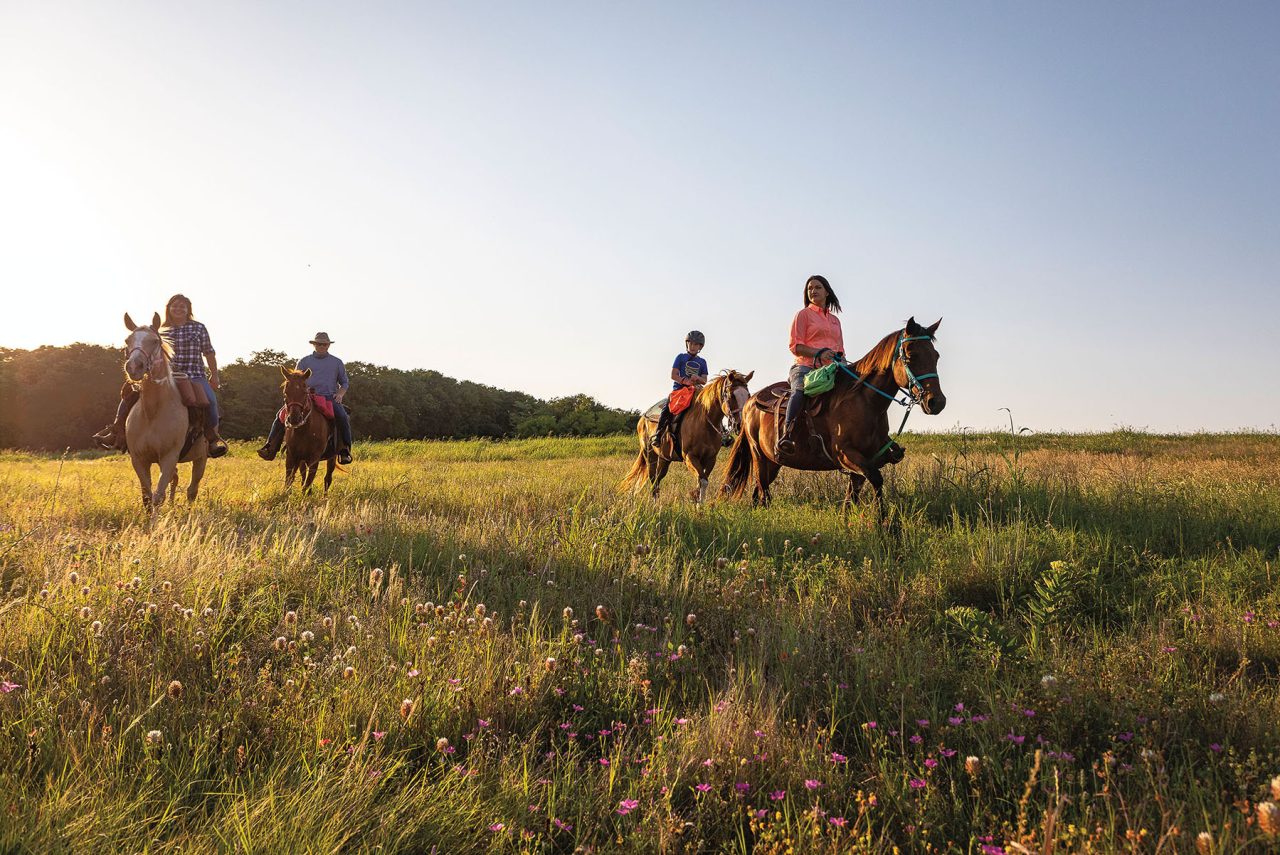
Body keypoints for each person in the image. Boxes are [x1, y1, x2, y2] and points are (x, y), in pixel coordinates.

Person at [93, 293, 228, 458]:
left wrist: (214, 375)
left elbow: (209, 352)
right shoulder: (160, 330)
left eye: (182, 306)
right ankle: (116, 431)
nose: (178, 309)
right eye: (174, 306)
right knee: (128, 396)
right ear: (169, 309)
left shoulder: (198, 328)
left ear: (188, 310)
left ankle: (212, 440)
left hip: (194, 374)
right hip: (164, 375)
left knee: (210, 401)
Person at [257, 332, 353, 465]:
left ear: (328, 345)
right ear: (314, 344)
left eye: (324, 344)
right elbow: (294, 380)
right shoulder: (304, 361)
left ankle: (345, 451)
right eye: (319, 344)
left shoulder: (336, 362)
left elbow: (344, 383)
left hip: (328, 397)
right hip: (305, 396)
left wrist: (340, 394)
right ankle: (270, 446)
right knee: (280, 415)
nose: (322, 346)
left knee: (342, 416)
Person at [777, 275, 844, 456]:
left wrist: (844, 363)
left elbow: (840, 350)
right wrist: (819, 353)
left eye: (817, 287)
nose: (813, 291)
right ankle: (787, 434)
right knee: (799, 391)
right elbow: (795, 346)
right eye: (810, 288)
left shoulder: (835, 321)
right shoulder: (803, 315)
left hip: (831, 369)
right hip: (805, 367)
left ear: (827, 292)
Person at [651, 330, 709, 451]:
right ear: (687, 344)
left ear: (700, 347)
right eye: (691, 344)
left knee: (712, 406)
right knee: (667, 408)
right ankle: (658, 434)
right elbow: (673, 375)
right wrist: (685, 381)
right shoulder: (680, 357)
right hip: (680, 391)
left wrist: (697, 378)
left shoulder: (702, 362)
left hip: (696, 391)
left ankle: (722, 433)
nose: (693, 347)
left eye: (696, 345)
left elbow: (704, 380)